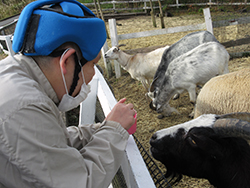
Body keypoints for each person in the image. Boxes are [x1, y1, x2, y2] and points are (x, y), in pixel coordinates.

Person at [0, 0, 136, 187]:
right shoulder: (25, 107)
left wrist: (103, 127)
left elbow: (53, 142)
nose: (93, 76)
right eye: (93, 65)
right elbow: (80, 182)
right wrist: (114, 131)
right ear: (66, 61)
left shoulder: (16, 79)